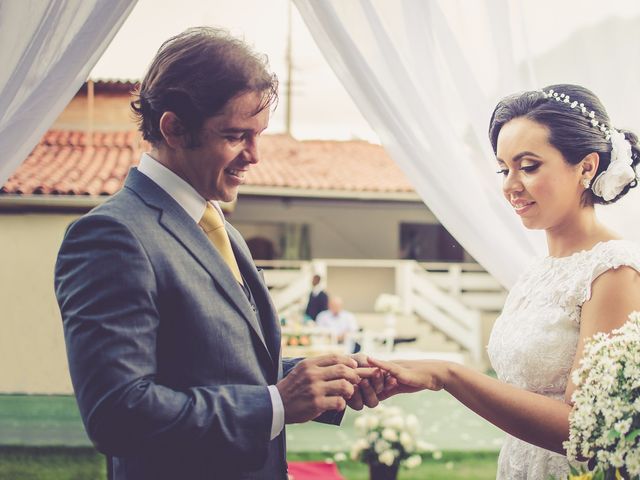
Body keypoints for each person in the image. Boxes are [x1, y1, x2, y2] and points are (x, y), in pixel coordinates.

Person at [54, 27, 383, 480]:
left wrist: (325, 378)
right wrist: (277, 403)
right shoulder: (111, 236)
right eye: (235, 135)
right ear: (173, 128)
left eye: (258, 134)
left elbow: (220, 364)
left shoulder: (220, 227)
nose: (255, 155)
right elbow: (118, 414)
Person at [369, 84, 640, 479]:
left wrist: (448, 375)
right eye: (504, 168)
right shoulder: (537, 270)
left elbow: (588, 435)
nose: (510, 185)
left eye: (528, 166)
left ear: (586, 167)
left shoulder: (613, 271)